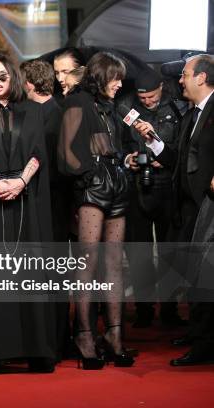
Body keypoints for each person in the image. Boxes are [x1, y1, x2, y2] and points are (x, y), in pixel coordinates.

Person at [0, 53, 57, 375]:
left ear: (13, 78)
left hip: (25, 200)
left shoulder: (32, 110)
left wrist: (18, 183)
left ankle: (36, 350)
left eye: (3, 75)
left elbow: (38, 153)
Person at [135, 54, 214, 366]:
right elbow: (178, 160)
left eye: (184, 74)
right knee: (195, 275)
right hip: (188, 207)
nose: (179, 80)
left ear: (201, 78)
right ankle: (199, 335)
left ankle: (205, 344)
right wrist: (154, 143)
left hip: (207, 208)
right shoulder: (194, 113)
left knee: (205, 277)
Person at [58, 52, 134, 369]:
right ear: (101, 76)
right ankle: (84, 336)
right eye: (115, 77)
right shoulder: (78, 102)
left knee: (114, 263)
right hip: (92, 189)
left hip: (116, 186)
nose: (119, 84)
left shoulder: (109, 106)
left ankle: (115, 336)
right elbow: (65, 154)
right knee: (87, 265)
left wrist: (121, 161)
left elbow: (108, 144)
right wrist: (90, 174)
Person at [119, 68, 188, 328]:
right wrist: (129, 159)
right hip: (137, 187)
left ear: (161, 87)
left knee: (171, 252)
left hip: (169, 188)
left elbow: (185, 146)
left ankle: (170, 310)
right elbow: (119, 145)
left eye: (151, 96)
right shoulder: (125, 108)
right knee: (139, 253)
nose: (147, 101)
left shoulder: (179, 105)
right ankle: (144, 308)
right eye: (143, 97)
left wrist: (166, 158)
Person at [20, 58, 71, 361]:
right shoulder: (54, 111)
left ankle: (53, 341)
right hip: (47, 205)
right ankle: (47, 339)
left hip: (50, 207)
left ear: (28, 83)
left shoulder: (49, 115)